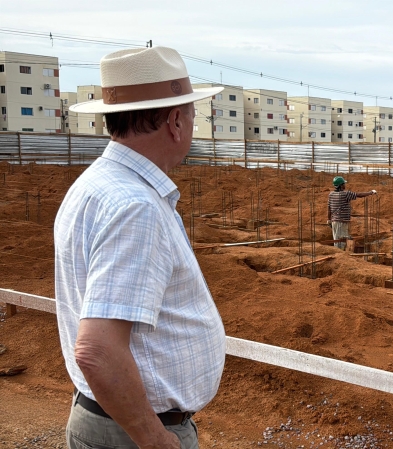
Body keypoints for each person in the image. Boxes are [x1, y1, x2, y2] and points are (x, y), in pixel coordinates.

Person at [55, 47, 227, 449]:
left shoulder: (96, 185)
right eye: (192, 115)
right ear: (174, 121)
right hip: (134, 432)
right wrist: (153, 438)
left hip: (111, 419)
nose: (192, 124)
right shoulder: (136, 207)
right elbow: (97, 349)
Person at [328, 176, 377, 249]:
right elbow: (358, 195)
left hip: (334, 221)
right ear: (341, 185)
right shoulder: (345, 194)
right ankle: (341, 256)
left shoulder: (331, 194)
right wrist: (370, 192)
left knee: (337, 240)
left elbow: (329, 208)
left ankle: (339, 255)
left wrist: (328, 219)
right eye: (344, 184)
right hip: (341, 222)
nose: (345, 185)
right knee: (341, 242)